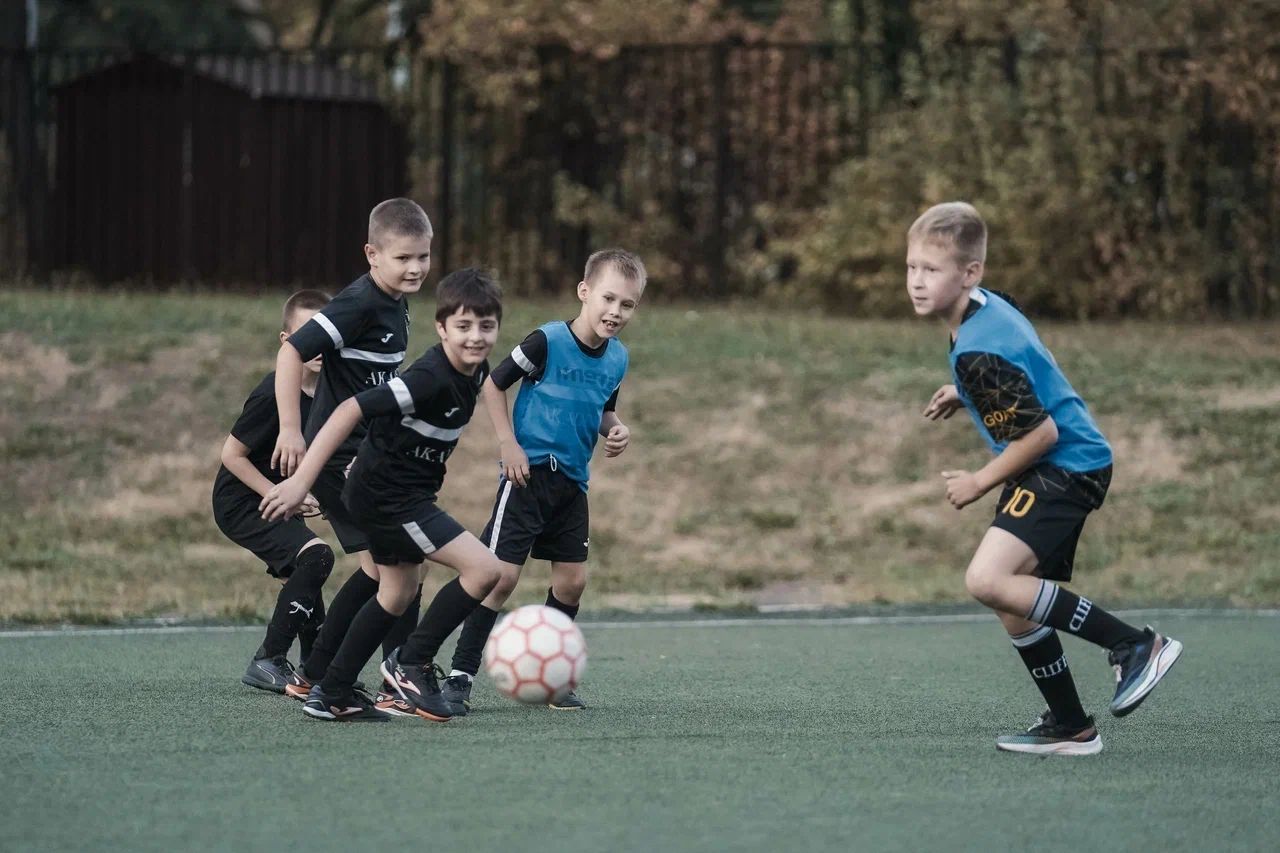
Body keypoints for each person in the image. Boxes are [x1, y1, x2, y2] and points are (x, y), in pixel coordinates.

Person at [909, 201, 1183, 755]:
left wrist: (979, 481)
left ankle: (1134, 646)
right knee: (1010, 596)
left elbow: (1042, 435)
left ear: (970, 274)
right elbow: (1023, 362)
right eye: (911, 266)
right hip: (1060, 464)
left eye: (931, 270)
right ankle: (1071, 726)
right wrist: (969, 396)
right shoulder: (988, 308)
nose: (917, 281)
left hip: (1065, 467)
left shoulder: (977, 352)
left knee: (986, 579)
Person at [261, 268, 505, 722]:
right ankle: (410, 665)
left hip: (391, 490)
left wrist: (370, 454)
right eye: (463, 326)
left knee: (397, 591)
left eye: (486, 326)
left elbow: (387, 424)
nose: (475, 337)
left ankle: (330, 692)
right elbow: (352, 408)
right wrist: (301, 479)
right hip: (391, 500)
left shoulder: (475, 372)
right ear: (441, 327)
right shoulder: (430, 376)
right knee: (485, 569)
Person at [441, 248, 645, 714]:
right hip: (528, 475)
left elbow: (602, 407)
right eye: (608, 299)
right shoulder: (546, 341)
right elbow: (492, 384)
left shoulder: (618, 359)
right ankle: (459, 675)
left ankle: (552, 679)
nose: (615, 312)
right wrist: (508, 443)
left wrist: (615, 428)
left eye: (627, 305)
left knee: (572, 582)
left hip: (573, 483)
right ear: (585, 292)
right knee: (499, 578)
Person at [271, 198, 432, 702]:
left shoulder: (397, 305)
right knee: (403, 566)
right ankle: (398, 676)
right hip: (341, 461)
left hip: (371, 459)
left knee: (380, 570)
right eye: (403, 257)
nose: (416, 268)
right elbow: (291, 350)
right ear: (372, 254)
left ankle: (316, 672)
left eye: (423, 257)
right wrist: (291, 429)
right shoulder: (359, 302)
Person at [213, 290, 333, 693]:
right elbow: (232, 456)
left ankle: (316, 672)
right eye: (306, 335)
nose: (317, 346)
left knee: (304, 575)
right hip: (242, 501)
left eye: (325, 334)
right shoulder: (272, 394)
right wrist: (284, 495)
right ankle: (267, 660)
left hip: (280, 498)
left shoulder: (331, 395)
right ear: (286, 342)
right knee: (316, 557)